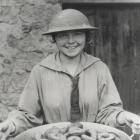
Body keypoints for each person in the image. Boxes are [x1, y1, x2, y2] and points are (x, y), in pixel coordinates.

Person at [0, 9, 140, 140]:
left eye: (78, 33)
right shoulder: (40, 71)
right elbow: (26, 115)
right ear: (54, 38)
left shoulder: (99, 69)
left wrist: (125, 116)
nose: (71, 41)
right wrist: (11, 124)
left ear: (86, 36)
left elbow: (109, 112)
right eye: (63, 35)